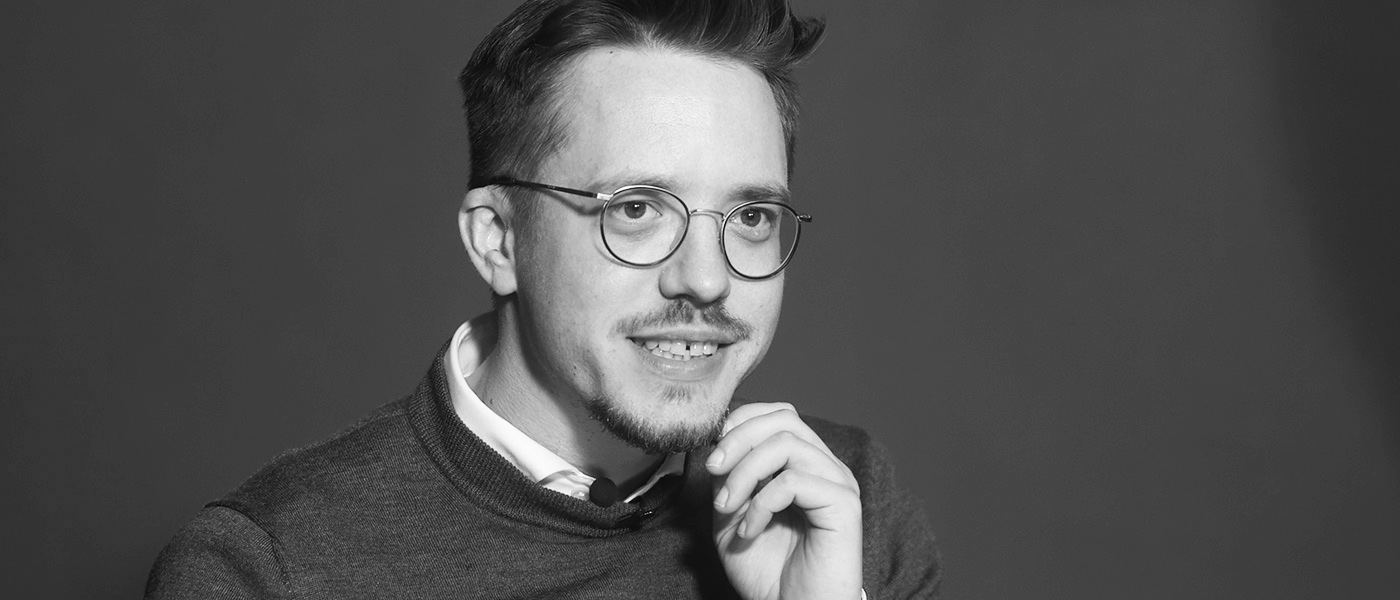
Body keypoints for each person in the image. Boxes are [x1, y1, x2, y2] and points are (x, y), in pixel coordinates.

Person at [145, 0, 941, 598]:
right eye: (636, 209)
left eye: (752, 216)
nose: (706, 279)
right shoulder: (268, 568)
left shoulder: (841, 506)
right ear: (498, 239)